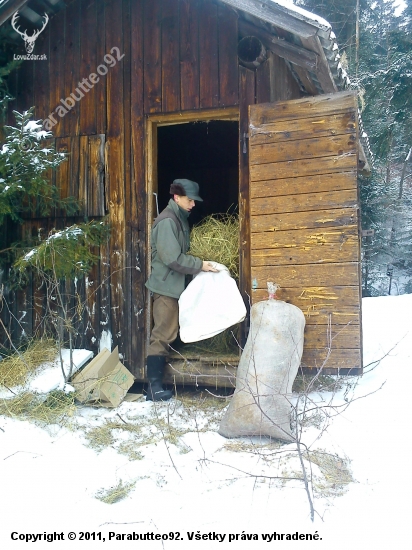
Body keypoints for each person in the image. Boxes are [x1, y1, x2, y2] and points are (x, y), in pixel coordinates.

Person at [145, 178, 218, 401]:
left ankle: (158, 384)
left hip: (176, 285)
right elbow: (172, 258)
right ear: (177, 197)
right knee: (163, 334)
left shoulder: (180, 218)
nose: (193, 204)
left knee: (171, 332)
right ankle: (153, 388)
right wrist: (200, 265)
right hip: (166, 287)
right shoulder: (168, 221)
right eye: (190, 200)